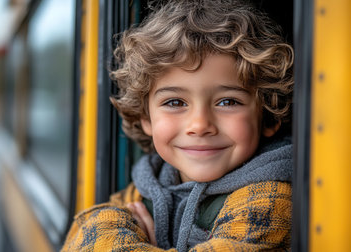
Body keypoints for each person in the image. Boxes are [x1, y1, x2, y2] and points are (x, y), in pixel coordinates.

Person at [62, 0, 294, 251]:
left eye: (228, 101)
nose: (200, 125)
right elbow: (85, 232)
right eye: (175, 102)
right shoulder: (150, 184)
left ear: (268, 116)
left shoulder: (273, 201)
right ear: (146, 117)